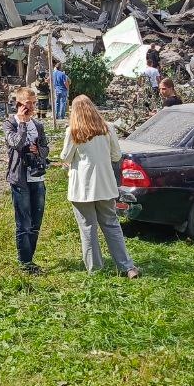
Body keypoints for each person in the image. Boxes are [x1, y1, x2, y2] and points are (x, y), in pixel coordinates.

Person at [59, 95, 138, 278]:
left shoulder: (73, 131)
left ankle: (95, 269)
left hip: (82, 187)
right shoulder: (108, 128)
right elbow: (116, 155)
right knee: (111, 224)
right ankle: (127, 266)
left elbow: (65, 157)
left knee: (88, 227)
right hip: (105, 184)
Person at [4, 86, 48, 273]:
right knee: (24, 223)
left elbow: (46, 148)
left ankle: (30, 259)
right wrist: (22, 123)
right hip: (20, 179)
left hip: (37, 178)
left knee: (36, 221)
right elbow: (15, 143)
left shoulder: (38, 125)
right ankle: (25, 263)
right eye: (28, 103)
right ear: (19, 104)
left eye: (34, 102)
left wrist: (39, 150)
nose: (32, 107)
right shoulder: (9, 123)